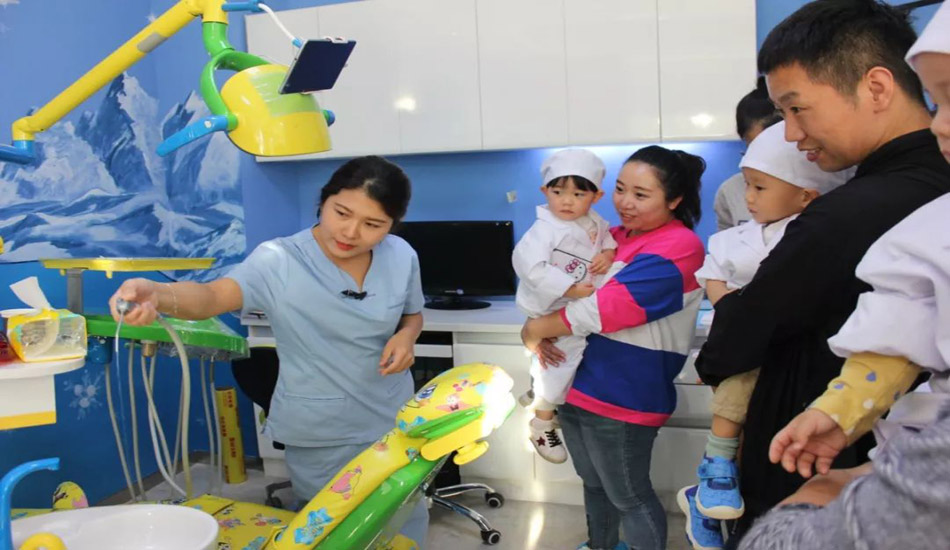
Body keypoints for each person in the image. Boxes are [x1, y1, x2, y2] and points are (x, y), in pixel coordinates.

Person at [693, 0, 950, 542]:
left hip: (814, 458)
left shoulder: (845, 213)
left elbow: (747, 328)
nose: (790, 134)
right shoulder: (927, 187)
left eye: (796, 109)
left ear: (876, 88)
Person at [108, 156, 431, 547]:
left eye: (372, 224)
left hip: (393, 417)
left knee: (404, 519)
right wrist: (158, 294)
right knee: (335, 532)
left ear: (392, 225)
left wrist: (406, 336)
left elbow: (412, 313)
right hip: (320, 429)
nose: (350, 232)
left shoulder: (401, 255)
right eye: (341, 213)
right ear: (324, 200)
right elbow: (212, 296)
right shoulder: (278, 260)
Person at [521, 145, 706, 550]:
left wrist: (535, 329)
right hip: (577, 383)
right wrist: (536, 323)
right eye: (620, 189)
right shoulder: (612, 237)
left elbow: (608, 308)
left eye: (641, 194)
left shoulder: (680, 245)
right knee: (594, 485)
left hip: (624, 392)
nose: (625, 203)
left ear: (674, 200)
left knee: (628, 495)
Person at [678, 121, 851, 550]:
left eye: (759, 187)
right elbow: (712, 276)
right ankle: (715, 467)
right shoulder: (734, 239)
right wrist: (733, 309)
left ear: (806, 195)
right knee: (737, 393)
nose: (748, 198)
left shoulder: (813, 237)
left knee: (761, 438)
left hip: (784, 353)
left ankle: (707, 500)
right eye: (748, 186)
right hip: (743, 345)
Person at [512, 148, 617, 464]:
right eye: (558, 192)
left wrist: (608, 255)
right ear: (545, 191)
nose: (567, 201)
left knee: (564, 361)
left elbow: (609, 243)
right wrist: (569, 288)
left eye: (578, 194)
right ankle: (541, 421)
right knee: (560, 360)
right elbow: (529, 267)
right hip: (549, 305)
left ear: (596, 196)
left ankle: (540, 393)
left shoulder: (595, 222)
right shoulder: (544, 230)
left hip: (577, 303)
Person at [713, 77, 783, 230]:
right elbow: (725, 240)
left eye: (766, 148)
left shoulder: (816, 185)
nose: (749, 198)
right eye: (751, 148)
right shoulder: (730, 191)